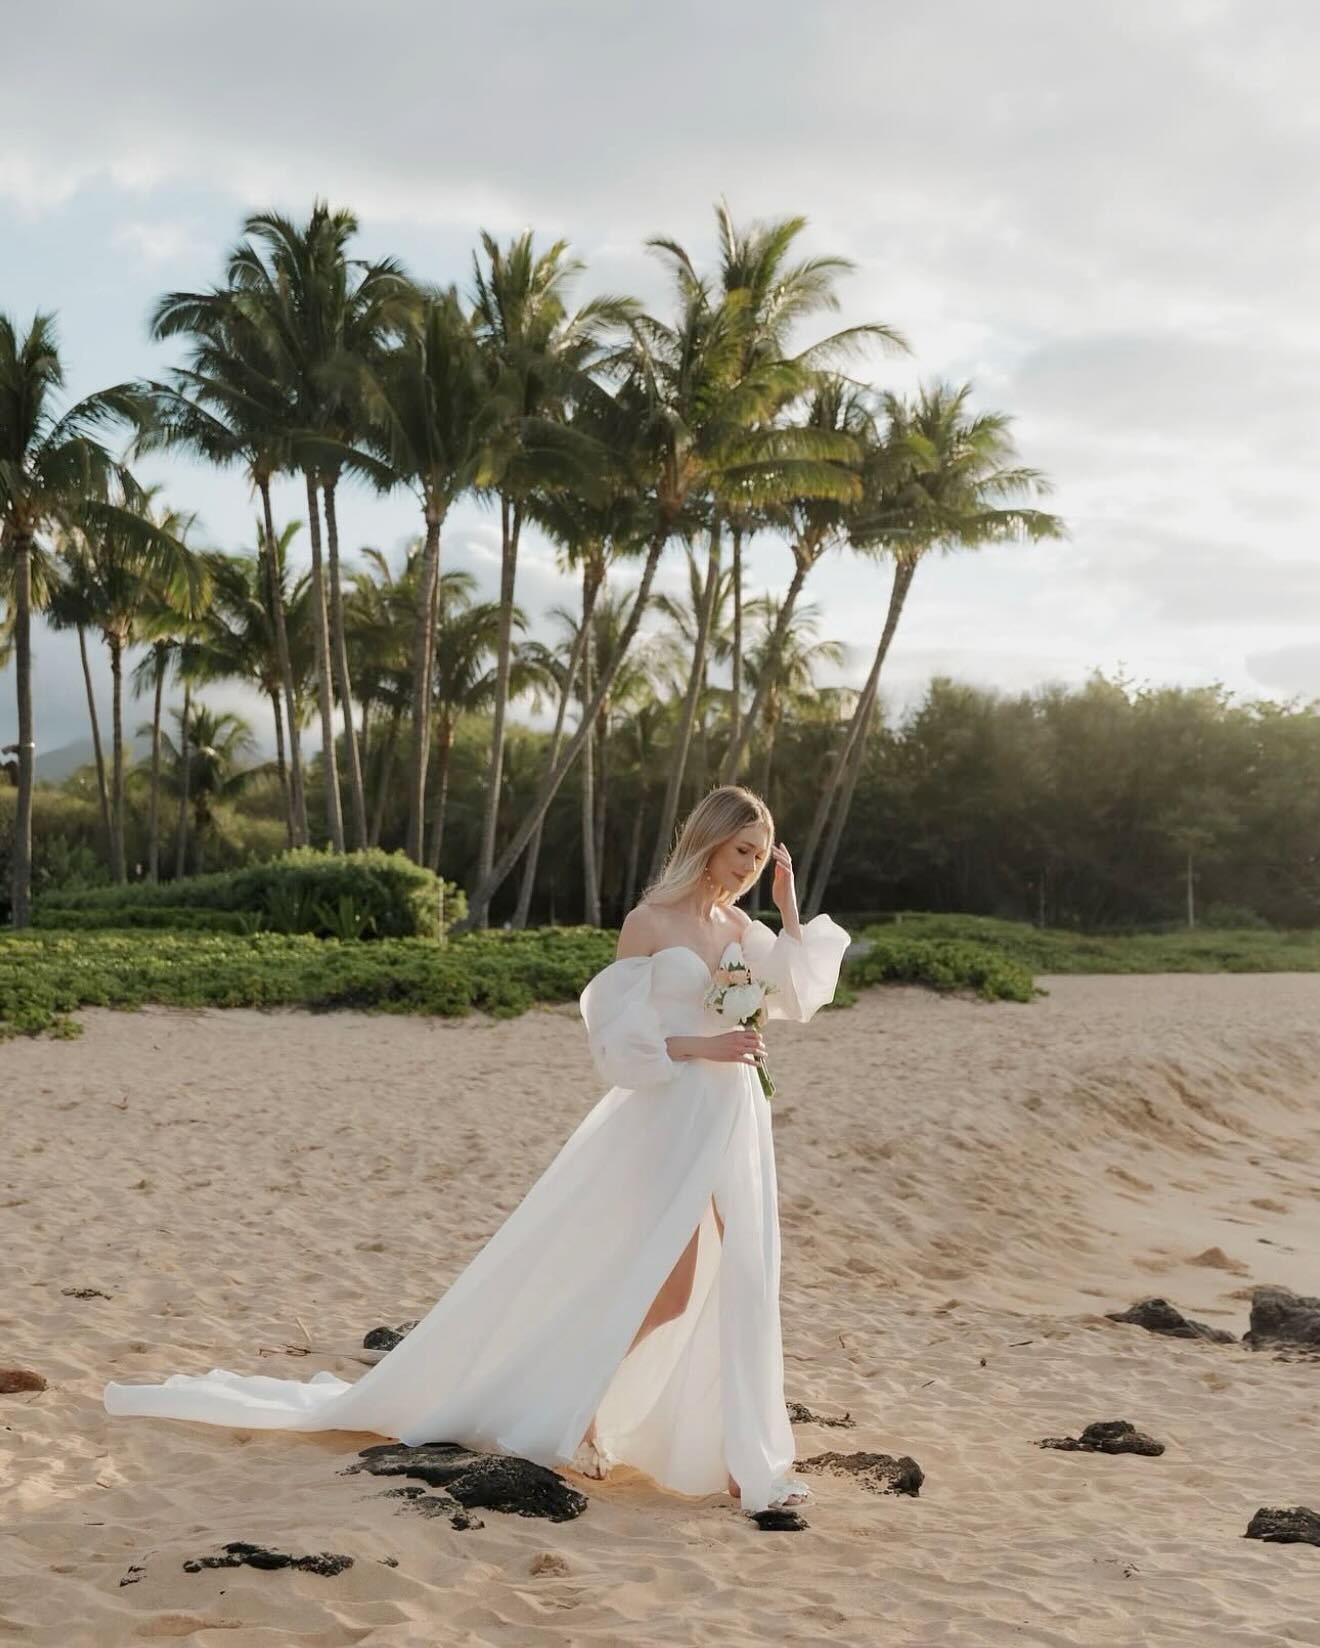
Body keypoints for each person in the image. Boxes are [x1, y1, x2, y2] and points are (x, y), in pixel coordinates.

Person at [103, 785, 850, 1518]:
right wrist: (704, 1042)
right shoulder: (648, 923)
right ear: (709, 843)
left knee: (745, 1277)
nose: (750, 865)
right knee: (677, 1286)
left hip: (734, 1118)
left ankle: (740, 1456)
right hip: (673, 1116)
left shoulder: (743, 931)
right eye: (741, 851)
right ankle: (586, 1405)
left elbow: (797, 992)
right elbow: (617, 1043)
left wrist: (786, 907)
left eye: (760, 856)